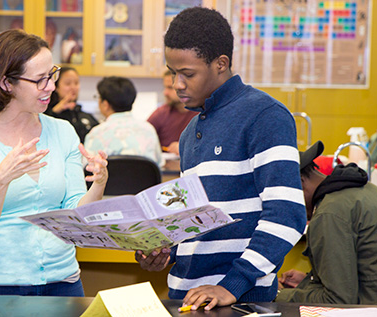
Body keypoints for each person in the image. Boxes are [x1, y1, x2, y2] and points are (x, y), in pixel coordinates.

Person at [135, 7, 306, 311]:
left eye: (187, 74)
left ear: (221, 64)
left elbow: (287, 215)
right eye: (173, 72)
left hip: (239, 300)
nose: (177, 84)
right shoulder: (189, 133)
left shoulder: (265, 116)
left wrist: (233, 285)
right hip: (185, 297)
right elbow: (194, 222)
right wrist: (167, 250)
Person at [0, 29, 108, 296]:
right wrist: (1, 179)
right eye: (40, 80)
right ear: (5, 83)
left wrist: (98, 184)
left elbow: (76, 220)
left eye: (52, 75)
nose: (52, 87)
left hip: (62, 283)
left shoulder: (62, 131)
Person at [276, 141, 377, 304]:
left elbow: (338, 300)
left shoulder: (328, 213)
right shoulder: (361, 190)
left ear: (300, 184)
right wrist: (307, 282)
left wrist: (278, 294)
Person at [84, 76, 163, 167]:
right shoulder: (149, 130)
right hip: (144, 181)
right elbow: (159, 164)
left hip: (109, 181)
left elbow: (87, 168)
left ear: (105, 104)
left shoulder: (96, 133)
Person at [147, 70, 196, 155]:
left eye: (170, 88)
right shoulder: (161, 113)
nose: (165, 93)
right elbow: (142, 136)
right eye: (165, 87)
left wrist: (184, 148)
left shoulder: (202, 114)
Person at [44, 66, 98, 143]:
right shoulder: (46, 114)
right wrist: (55, 111)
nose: (73, 87)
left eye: (76, 83)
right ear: (56, 87)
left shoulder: (86, 116)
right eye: (68, 83)